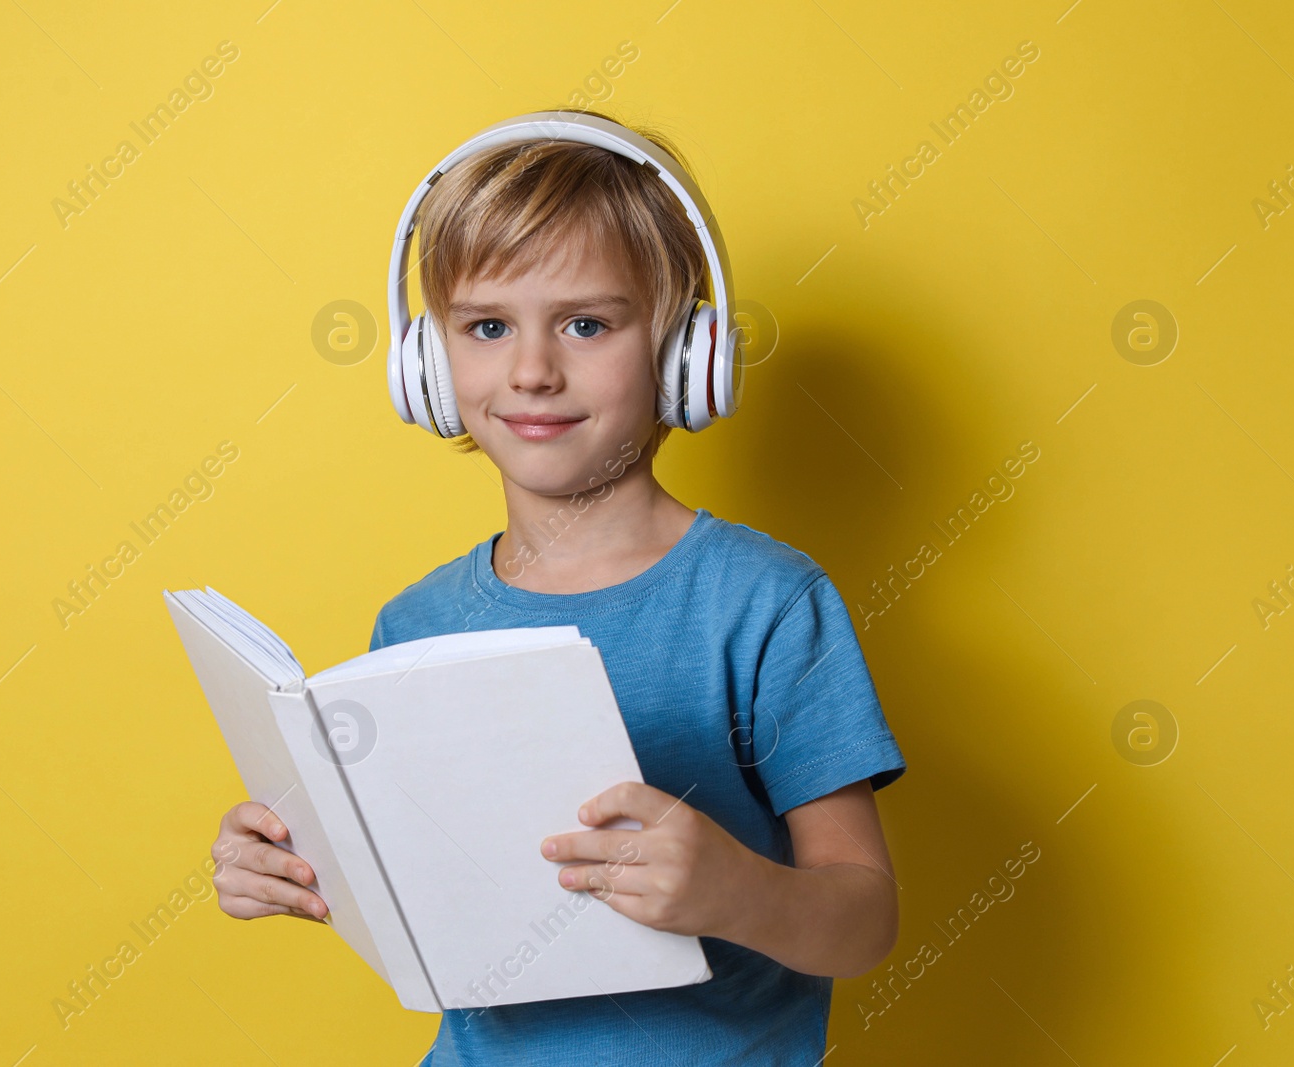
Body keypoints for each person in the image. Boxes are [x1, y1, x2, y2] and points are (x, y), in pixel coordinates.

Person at [210, 108, 907, 1065]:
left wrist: (738, 890)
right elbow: (429, 904)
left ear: (682, 356)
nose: (533, 371)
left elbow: (865, 919)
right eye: (488, 326)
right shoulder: (412, 627)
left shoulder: (767, 603)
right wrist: (294, 864)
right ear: (426, 362)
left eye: (586, 323)